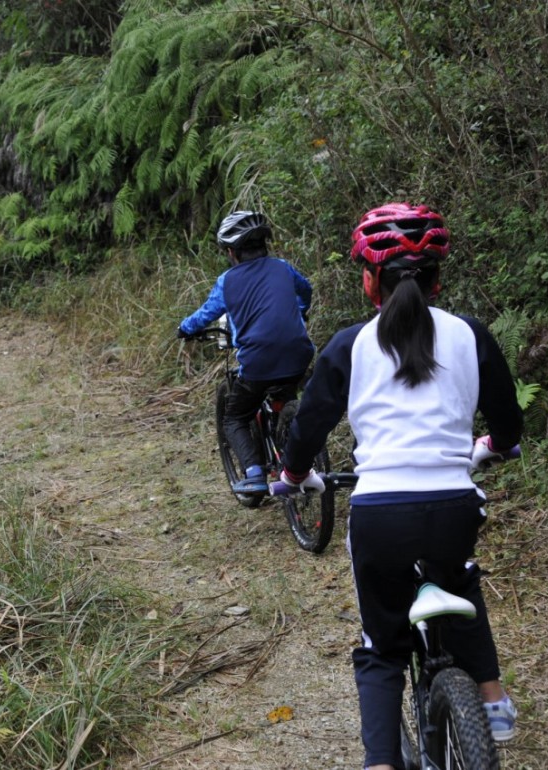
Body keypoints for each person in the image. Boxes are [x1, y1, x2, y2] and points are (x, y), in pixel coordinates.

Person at [279, 202, 523, 770]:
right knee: (461, 579)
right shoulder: (470, 335)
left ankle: (382, 762)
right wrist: (493, 446)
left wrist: (292, 477)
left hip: (380, 514)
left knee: (381, 647)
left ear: (369, 282)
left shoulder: (349, 345)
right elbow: (508, 422)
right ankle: (492, 700)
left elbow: (308, 426)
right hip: (454, 506)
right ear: (438, 280)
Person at [177, 210, 314, 495]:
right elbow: (306, 290)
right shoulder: (283, 267)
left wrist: (185, 328)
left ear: (231, 251)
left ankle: (253, 473)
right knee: (286, 389)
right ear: (265, 244)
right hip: (299, 354)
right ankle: (293, 443)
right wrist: (300, 310)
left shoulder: (227, 281)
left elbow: (206, 315)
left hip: (259, 362)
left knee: (234, 417)